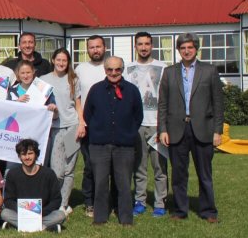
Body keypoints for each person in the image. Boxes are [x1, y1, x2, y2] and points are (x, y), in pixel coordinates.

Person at [157, 33, 224, 223]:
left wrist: (218, 131)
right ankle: (179, 210)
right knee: (178, 174)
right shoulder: (169, 72)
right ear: (178, 50)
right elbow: (163, 104)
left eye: (190, 48)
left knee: (205, 174)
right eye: (183, 48)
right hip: (177, 129)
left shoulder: (209, 71)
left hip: (203, 129)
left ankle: (208, 211)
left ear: (196, 49)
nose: (186, 51)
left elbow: (218, 103)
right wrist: (162, 129)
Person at [82, 57, 143, 226]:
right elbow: (88, 114)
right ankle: (100, 217)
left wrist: (128, 132)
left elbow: (138, 116)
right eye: (110, 69)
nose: (114, 73)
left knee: (123, 183)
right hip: (99, 145)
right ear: (105, 70)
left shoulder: (131, 90)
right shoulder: (96, 90)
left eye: (117, 69)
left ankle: (125, 218)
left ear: (122, 70)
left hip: (124, 145)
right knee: (101, 182)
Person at [123, 31, 169, 217]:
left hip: (157, 124)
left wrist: (164, 126)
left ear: (152, 45)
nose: (143, 47)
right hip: (136, 125)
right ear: (135, 46)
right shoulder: (127, 68)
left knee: (160, 167)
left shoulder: (163, 68)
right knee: (139, 167)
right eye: (140, 44)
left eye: (147, 44)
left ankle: (160, 203)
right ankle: (139, 201)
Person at [39, 48, 83, 214]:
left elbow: (78, 105)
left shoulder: (73, 80)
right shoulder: (43, 80)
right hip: (53, 128)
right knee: (56, 171)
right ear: (53, 60)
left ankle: (63, 205)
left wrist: (81, 124)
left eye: (64, 61)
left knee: (69, 169)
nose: (61, 63)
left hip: (71, 126)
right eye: (58, 60)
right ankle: (55, 200)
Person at [1, 139, 66, 232]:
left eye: (30, 153)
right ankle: (42, 227)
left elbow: (56, 200)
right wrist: (23, 211)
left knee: (61, 215)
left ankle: (24, 226)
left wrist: (40, 212)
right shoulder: (12, 174)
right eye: (23, 154)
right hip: (21, 214)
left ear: (36, 154)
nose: (27, 157)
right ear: (19, 156)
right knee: (5, 213)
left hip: (42, 214)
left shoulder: (48, 174)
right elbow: (8, 200)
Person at [74, 35, 107, 217]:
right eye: (92, 47)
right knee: (90, 166)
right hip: (87, 123)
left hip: (108, 124)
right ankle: (89, 201)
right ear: (88, 49)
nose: (95, 50)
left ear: (104, 47)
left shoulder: (111, 67)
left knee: (110, 165)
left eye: (98, 47)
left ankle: (109, 199)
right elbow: (76, 97)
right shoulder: (81, 69)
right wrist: (81, 120)